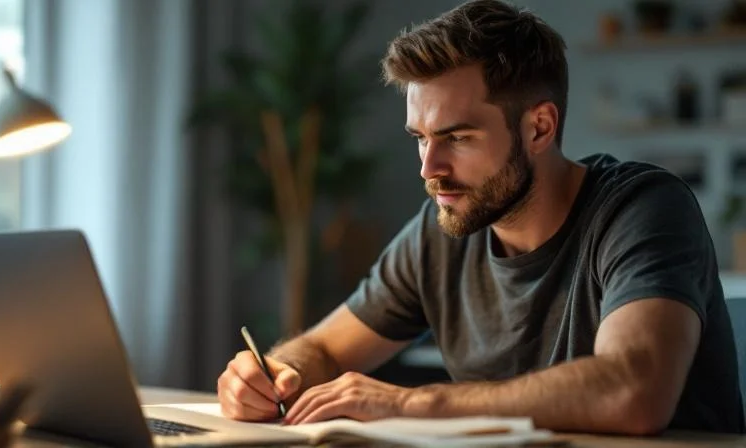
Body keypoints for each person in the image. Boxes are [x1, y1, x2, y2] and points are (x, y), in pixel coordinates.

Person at [217, 0, 745, 435]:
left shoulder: (643, 208)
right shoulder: (441, 230)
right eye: (421, 138)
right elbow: (324, 349)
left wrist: (409, 403)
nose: (430, 169)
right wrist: (276, 375)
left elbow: (633, 390)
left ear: (539, 128)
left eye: (457, 138)